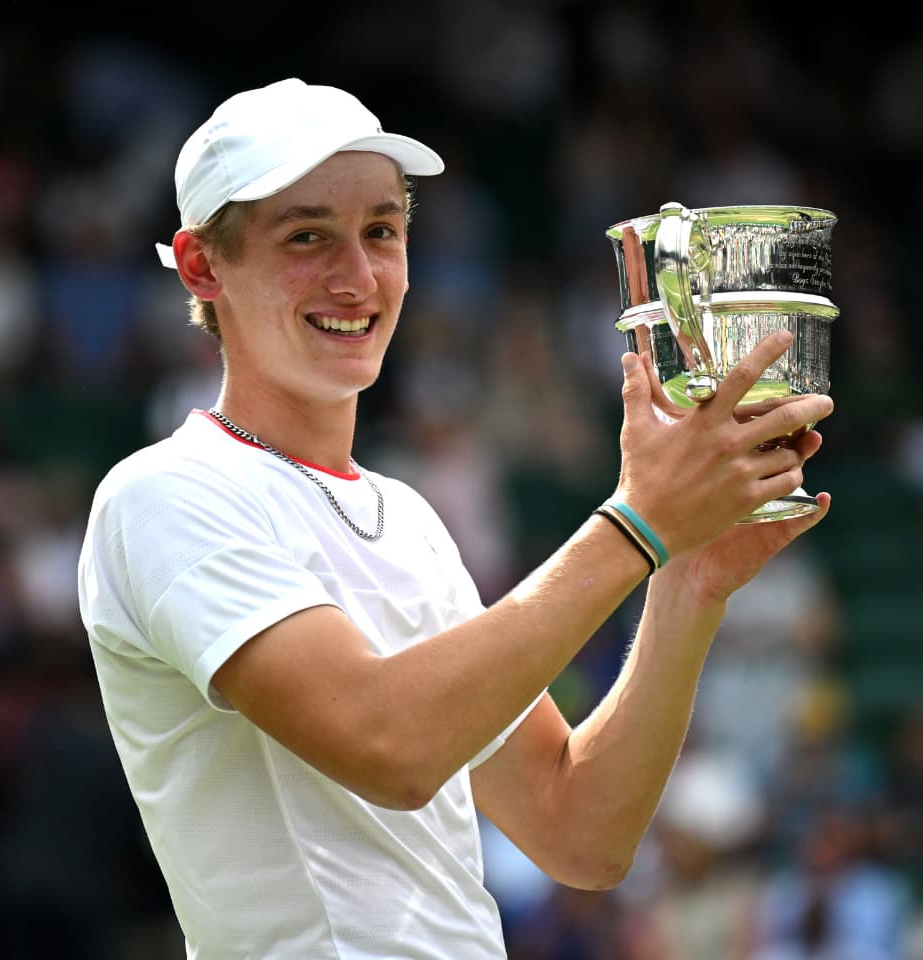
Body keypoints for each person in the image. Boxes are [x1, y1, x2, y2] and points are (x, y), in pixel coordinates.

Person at [77, 77, 834, 959]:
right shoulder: (165, 493)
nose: (358, 277)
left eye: (382, 232)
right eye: (307, 236)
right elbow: (390, 744)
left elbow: (579, 832)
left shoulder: (406, 516)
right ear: (204, 264)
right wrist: (639, 524)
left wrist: (686, 581)